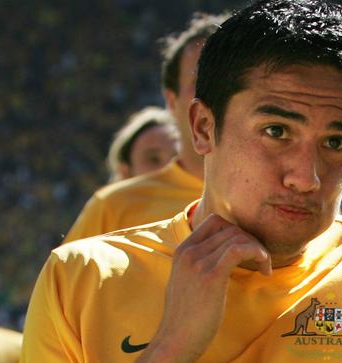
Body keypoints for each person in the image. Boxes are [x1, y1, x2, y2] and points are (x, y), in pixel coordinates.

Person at [22, 1, 342, 363]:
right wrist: (171, 347)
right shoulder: (81, 279)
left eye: (335, 141)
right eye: (276, 132)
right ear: (202, 127)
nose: (305, 178)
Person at [63, 13, 227, 243]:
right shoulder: (113, 209)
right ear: (172, 101)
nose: (220, 93)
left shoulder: (284, 198)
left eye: (233, 82)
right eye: (200, 81)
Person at [107, 106, 180, 183]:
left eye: (177, 158)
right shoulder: (102, 195)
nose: (169, 168)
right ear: (126, 173)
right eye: (154, 159)